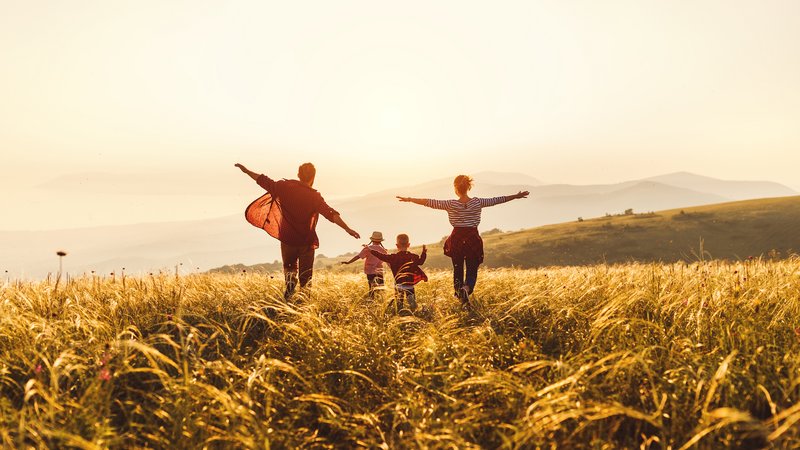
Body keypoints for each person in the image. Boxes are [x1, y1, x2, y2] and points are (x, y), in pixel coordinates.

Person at [397, 175, 528, 307]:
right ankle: (466, 289)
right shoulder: (477, 202)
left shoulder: (450, 204)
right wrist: (515, 196)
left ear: (456, 188)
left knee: (457, 269)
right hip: (473, 239)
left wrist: (410, 199)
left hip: (457, 240)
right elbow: (497, 200)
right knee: (472, 269)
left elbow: (429, 202)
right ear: (468, 187)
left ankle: (460, 294)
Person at [235, 162, 360, 298]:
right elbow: (331, 214)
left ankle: (287, 302)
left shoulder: (284, 187)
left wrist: (246, 171)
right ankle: (304, 307)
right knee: (306, 279)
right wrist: (347, 229)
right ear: (313, 177)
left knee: (289, 274)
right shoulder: (314, 196)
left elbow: (263, 180)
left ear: (298, 175)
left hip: (288, 240)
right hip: (306, 241)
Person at [370, 234, 427, 314]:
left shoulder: (393, 257)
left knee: (399, 302)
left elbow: (382, 256)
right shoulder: (413, 257)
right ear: (408, 245)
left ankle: (400, 312)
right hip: (409, 284)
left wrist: (371, 251)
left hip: (398, 284)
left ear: (397, 245)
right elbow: (421, 262)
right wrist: (424, 252)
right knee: (412, 300)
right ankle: (413, 310)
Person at [340, 231, 388, 298]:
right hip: (380, 272)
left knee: (371, 289)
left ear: (371, 240)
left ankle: (371, 302)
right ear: (381, 241)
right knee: (381, 288)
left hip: (370, 271)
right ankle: (381, 302)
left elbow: (358, 256)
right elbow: (388, 261)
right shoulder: (383, 250)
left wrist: (348, 262)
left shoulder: (367, 248)